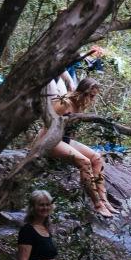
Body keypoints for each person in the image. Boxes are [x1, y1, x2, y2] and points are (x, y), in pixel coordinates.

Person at [49, 77, 112, 217]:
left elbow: (71, 132)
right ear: (83, 92)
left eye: (94, 96)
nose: (92, 99)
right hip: (50, 140)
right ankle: (97, 204)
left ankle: (104, 199)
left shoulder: (79, 105)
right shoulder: (65, 102)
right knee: (85, 162)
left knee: (97, 158)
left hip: (64, 140)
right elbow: (48, 122)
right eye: (91, 95)